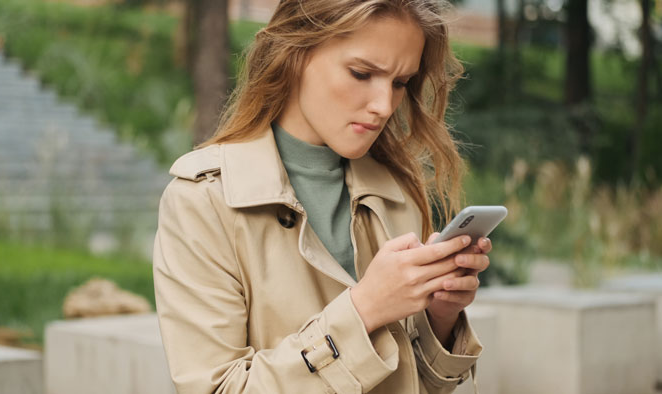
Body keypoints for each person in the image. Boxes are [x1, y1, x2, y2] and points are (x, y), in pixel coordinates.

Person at [153, 1, 491, 393]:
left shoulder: (396, 193)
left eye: (400, 83)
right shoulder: (204, 201)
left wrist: (440, 315)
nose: (383, 106)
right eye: (362, 73)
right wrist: (364, 309)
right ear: (295, 52)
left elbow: (411, 384)